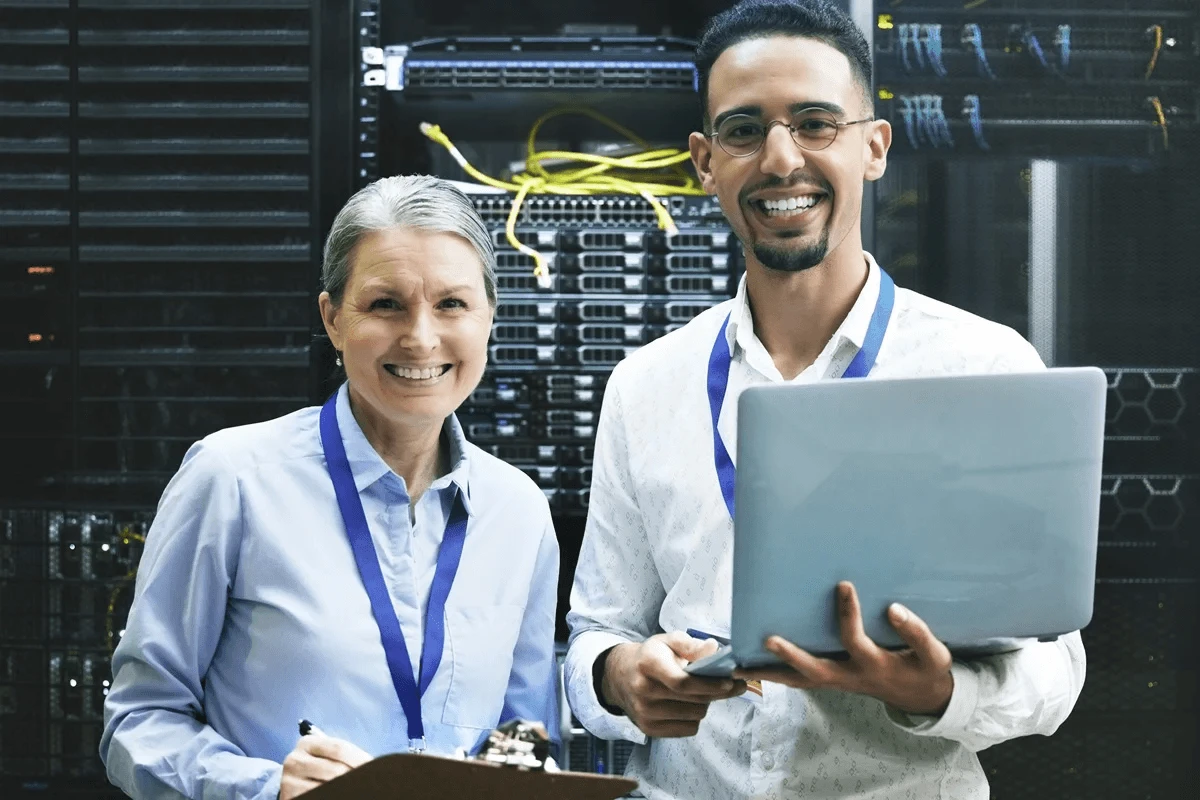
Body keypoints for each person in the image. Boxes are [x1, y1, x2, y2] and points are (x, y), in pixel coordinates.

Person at [564, 1, 1086, 798]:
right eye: (744, 130)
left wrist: (941, 692)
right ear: (705, 161)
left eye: (815, 124)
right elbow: (597, 635)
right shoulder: (647, 385)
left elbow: (1056, 666)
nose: (780, 160)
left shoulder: (984, 366)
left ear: (872, 147)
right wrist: (619, 678)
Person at [101, 175, 560, 800]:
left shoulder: (519, 511)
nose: (421, 337)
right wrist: (268, 790)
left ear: (488, 319)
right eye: (385, 304)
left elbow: (523, 729)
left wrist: (525, 768)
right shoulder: (232, 478)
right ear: (333, 319)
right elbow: (138, 722)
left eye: (452, 304)